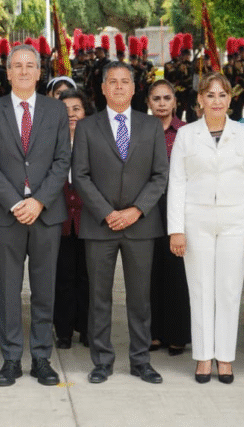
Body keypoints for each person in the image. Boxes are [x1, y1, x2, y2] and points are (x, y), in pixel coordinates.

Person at [0, 44, 71, 387]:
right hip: (7, 214)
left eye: (30, 65)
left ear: (39, 71)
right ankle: (12, 358)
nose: (24, 70)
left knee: (44, 289)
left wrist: (39, 201)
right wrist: (16, 202)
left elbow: (63, 159)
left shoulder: (56, 110)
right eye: (17, 65)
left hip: (46, 213)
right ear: (8, 72)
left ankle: (42, 357)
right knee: (9, 289)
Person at [73, 62, 169, 385]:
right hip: (99, 225)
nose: (118, 86)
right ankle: (102, 361)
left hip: (140, 225)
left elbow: (160, 175)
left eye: (124, 81)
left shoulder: (151, 126)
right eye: (112, 81)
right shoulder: (87, 127)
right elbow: (80, 176)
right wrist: (106, 212)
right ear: (102, 88)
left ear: (134, 87)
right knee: (99, 297)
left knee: (140, 298)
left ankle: (141, 360)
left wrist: (136, 210)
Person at [168, 72, 244, 384]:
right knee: (199, 289)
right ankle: (202, 357)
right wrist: (176, 229)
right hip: (196, 220)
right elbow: (177, 183)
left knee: (229, 290)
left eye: (222, 95)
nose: (216, 101)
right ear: (200, 99)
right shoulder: (187, 135)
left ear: (230, 99)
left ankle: (224, 357)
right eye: (210, 95)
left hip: (235, 221)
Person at [146, 80, 190, 357]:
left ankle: (177, 334)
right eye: (156, 98)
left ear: (175, 102)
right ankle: (153, 333)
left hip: (180, 206)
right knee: (151, 270)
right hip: (149, 206)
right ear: (148, 103)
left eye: (166, 98)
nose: (161, 103)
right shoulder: (141, 129)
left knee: (177, 271)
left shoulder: (186, 132)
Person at [54, 89, 93, 350]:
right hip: (60, 222)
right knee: (63, 278)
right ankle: (64, 331)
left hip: (90, 220)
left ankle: (87, 329)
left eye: (76, 109)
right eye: (65, 110)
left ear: (85, 113)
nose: (71, 114)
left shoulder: (96, 141)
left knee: (89, 278)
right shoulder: (50, 142)